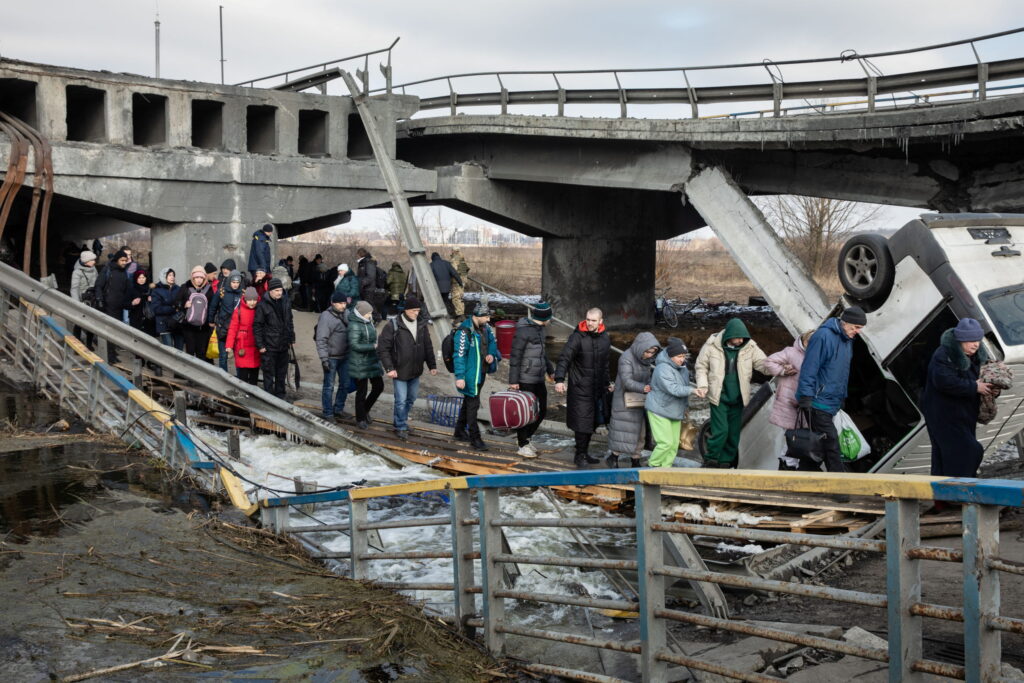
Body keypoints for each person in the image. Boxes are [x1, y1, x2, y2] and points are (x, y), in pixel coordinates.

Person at [796, 306, 868, 473]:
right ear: (845, 323)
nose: (858, 331)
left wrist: (842, 396)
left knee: (819, 445)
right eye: (856, 327)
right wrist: (806, 396)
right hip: (817, 401)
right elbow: (810, 368)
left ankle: (804, 478)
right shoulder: (823, 337)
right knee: (832, 445)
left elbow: (841, 372)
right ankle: (839, 487)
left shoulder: (846, 340)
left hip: (831, 402)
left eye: (860, 328)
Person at [922, 318, 993, 479]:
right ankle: (960, 491)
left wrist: (990, 387)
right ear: (960, 340)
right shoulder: (943, 354)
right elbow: (943, 381)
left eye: (977, 340)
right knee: (968, 451)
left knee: (945, 455)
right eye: (970, 340)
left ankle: (943, 499)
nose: (975, 344)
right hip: (943, 414)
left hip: (964, 413)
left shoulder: (977, 356)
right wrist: (975, 387)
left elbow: (982, 380)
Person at [694, 318, 768, 469]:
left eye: (743, 337)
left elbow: (764, 364)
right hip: (719, 396)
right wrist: (702, 385)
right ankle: (711, 459)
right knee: (721, 431)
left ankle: (726, 462)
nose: (741, 340)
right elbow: (701, 367)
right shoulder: (711, 345)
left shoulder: (750, 347)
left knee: (733, 433)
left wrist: (782, 368)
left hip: (738, 398)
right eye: (738, 337)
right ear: (729, 335)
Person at [554, 307, 612, 467]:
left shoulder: (605, 338)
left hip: (597, 388)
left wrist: (607, 383)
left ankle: (585, 453)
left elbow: (605, 364)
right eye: (588, 320)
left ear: (601, 321)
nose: (590, 323)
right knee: (581, 423)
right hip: (580, 387)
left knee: (591, 422)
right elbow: (564, 358)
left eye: (593, 320)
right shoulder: (577, 337)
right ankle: (579, 455)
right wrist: (559, 379)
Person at [377, 296, 437, 440]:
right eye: (413, 310)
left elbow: (427, 346)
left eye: (418, 310)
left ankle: (400, 420)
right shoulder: (393, 325)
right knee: (401, 400)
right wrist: (389, 368)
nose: (416, 313)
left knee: (411, 398)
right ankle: (400, 425)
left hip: (415, 370)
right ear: (406, 310)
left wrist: (432, 365)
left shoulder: (421, 325)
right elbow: (383, 349)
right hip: (399, 370)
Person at [508, 301, 555, 458]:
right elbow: (515, 356)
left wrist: (550, 370)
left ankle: (527, 439)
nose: (551, 319)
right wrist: (514, 381)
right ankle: (522, 444)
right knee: (526, 413)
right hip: (525, 378)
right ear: (544, 317)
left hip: (538, 377)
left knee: (541, 411)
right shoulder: (523, 332)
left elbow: (542, 354)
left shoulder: (541, 330)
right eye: (550, 316)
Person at [763, 330, 816, 470]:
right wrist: (783, 371)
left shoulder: (815, 355)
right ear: (805, 342)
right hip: (788, 402)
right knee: (792, 436)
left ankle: (791, 464)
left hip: (804, 403)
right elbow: (769, 361)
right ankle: (787, 465)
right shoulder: (791, 352)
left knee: (798, 436)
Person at [608, 332, 661, 468]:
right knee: (622, 431)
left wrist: (651, 386)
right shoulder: (626, 357)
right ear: (641, 347)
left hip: (639, 400)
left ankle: (635, 459)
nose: (649, 355)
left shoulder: (646, 361)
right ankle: (614, 456)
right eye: (648, 352)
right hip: (624, 400)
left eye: (652, 353)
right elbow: (626, 381)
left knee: (640, 433)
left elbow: (648, 377)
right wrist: (645, 388)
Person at [453, 302, 499, 451]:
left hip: (482, 372)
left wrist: (491, 354)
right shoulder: (464, 331)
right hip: (470, 375)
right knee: (473, 404)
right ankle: (475, 438)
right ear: (477, 316)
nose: (488, 320)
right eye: (485, 317)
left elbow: (492, 342)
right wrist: (460, 377)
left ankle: (459, 431)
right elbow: (459, 356)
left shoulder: (486, 328)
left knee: (469, 401)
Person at [646, 338, 694, 468]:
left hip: (675, 409)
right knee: (665, 443)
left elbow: (684, 386)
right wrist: (693, 390)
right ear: (670, 355)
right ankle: (653, 466)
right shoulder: (662, 368)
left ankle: (665, 469)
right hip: (659, 409)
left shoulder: (682, 368)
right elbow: (674, 389)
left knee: (673, 444)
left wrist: (685, 407)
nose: (682, 359)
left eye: (684, 356)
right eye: (679, 356)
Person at [254, 278, 295, 399]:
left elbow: (290, 321)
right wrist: (260, 345)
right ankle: (268, 398)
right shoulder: (262, 305)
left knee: (281, 374)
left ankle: (280, 397)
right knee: (268, 374)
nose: (279, 292)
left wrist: (291, 337)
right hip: (269, 346)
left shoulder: (286, 302)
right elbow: (257, 326)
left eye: (281, 290)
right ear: (270, 291)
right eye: (276, 290)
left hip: (283, 344)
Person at [315, 291, 351, 421]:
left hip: (345, 356)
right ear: (333, 303)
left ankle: (338, 409)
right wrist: (324, 359)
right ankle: (328, 413)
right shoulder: (326, 317)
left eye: (344, 303)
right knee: (329, 386)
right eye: (340, 303)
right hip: (331, 357)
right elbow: (321, 339)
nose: (343, 306)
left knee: (345, 384)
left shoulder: (347, 313)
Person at [348, 300, 384, 429]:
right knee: (361, 391)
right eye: (368, 313)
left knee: (379, 386)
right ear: (361, 313)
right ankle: (360, 418)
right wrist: (373, 346)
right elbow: (354, 345)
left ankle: (365, 410)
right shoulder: (354, 325)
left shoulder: (369, 322)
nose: (370, 315)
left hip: (371, 360)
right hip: (359, 362)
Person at [93, 249, 131, 363]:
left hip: (119, 307)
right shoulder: (107, 270)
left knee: (115, 331)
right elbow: (98, 285)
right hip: (107, 306)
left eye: (126, 260)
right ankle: (108, 355)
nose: (124, 262)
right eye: (122, 260)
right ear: (117, 260)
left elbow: (126, 289)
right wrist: (100, 299)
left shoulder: (124, 272)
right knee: (109, 331)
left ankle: (112, 353)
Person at [175, 265, 216, 362]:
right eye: (196, 277)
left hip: (203, 327)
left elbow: (212, 306)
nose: (199, 280)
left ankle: (199, 375)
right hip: (188, 326)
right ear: (193, 277)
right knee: (190, 351)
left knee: (201, 352)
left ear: (204, 278)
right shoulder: (185, 287)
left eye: (201, 277)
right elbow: (176, 301)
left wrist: (211, 321)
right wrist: (184, 304)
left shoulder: (209, 289)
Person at [225, 287, 261, 385]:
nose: (252, 302)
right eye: (250, 300)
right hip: (242, 347)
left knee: (254, 373)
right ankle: (244, 394)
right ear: (245, 299)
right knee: (243, 375)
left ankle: (254, 394)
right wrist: (229, 345)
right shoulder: (239, 310)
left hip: (255, 346)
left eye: (254, 300)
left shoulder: (260, 309)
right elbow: (233, 328)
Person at [211, 270, 244, 372]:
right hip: (223, 328)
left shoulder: (243, 294)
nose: (235, 285)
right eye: (233, 282)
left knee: (238, 357)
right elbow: (213, 306)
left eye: (237, 282)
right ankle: (224, 379)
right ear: (229, 281)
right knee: (223, 357)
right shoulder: (222, 292)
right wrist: (211, 320)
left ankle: (239, 381)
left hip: (237, 330)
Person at [69, 249, 98, 350]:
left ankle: (89, 345)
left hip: (92, 300)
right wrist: (77, 304)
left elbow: (97, 284)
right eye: (92, 260)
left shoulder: (94, 269)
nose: (94, 261)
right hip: (82, 301)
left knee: (91, 323)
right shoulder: (77, 272)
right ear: (86, 261)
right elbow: (74, 288)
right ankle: (77, 346)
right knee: (79, 324)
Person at [150, 268, 183, 350]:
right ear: (164, 276)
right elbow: (156, 308)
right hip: (163, 324)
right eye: (169, 275)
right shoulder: (157, 290)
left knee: (180, 350)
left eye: (173, 275)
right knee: (169, 350)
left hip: (177, 322)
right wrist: (173, 308)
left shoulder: (178, 289)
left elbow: (181, 304)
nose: (172, 277)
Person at [450, 248, 470, 318]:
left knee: (456, 298)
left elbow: (453, 271)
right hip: (463, 281)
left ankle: (459, 315)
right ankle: (461, 314)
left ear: (453, 251)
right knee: (460, 298)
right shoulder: (462, 259)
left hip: (457, 282)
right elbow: (467, 269)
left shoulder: (454, 259)